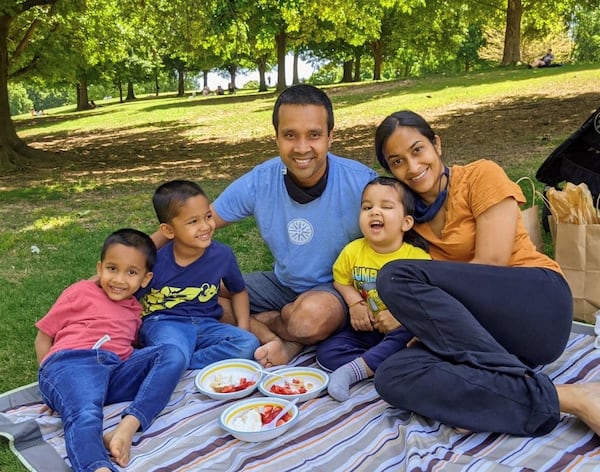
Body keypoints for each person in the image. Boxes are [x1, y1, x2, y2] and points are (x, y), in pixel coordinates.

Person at [371, 110, 600, 438]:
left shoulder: (480, 175)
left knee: (394, 277)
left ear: (437, 144)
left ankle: (508, 389)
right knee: (392, 375)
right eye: (397, 161)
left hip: (538, 303)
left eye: (417, 150)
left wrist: (415, 313)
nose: (412, 167)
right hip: (493, 338)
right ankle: (564, 396)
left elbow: (491, 261)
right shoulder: (410, 220)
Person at [212, 84, 379, 367]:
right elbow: (198, 222)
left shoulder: (361, 182)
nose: (302, 148)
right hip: (283, 284)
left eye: (314, 135)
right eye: (290, 135)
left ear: (330, 138)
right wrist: (143, 258)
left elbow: (402, 236)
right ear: (277, 138)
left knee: (309, 318)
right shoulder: (260, 180)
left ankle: (270, 326)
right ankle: (276, 338)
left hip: (337, 290)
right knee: (201, 292)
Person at [35, 228, 182, 472]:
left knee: (171, 353)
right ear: (100, 267)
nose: (118, 280)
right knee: (85, 414)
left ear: (145, 279)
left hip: (113, 372)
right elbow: (43, 338)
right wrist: (51, 384)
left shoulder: (134, 309)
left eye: (131, 272)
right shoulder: (80, 292)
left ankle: (127, 426)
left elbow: (128, 347)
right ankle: (97, 467)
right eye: (112, 268)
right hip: (73, 364)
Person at [316, 176, 431, 401]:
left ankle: (355, 371)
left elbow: (426, 300)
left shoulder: (417, 258)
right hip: (366, 329)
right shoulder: (353, 251)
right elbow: (341, 280)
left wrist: (399, 315)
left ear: (406, 223)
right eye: (367, 207)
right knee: (326, 353)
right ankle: (380, 364)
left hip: (400, 330)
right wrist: (355, 304)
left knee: (412, 336)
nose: (374, 212)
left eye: (386, 207)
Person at [138, 180, 259, 374]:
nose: (205, 226)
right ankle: (172, 358)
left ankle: (179, 361)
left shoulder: (222, 255)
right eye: (193, 221)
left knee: (247, 343)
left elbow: (238, 291)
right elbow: (129, 303)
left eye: (208, 216)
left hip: (205, 324)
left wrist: (243, 326)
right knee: (173, 350)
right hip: (164, 323)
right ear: (168, 230)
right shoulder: (155, 263)